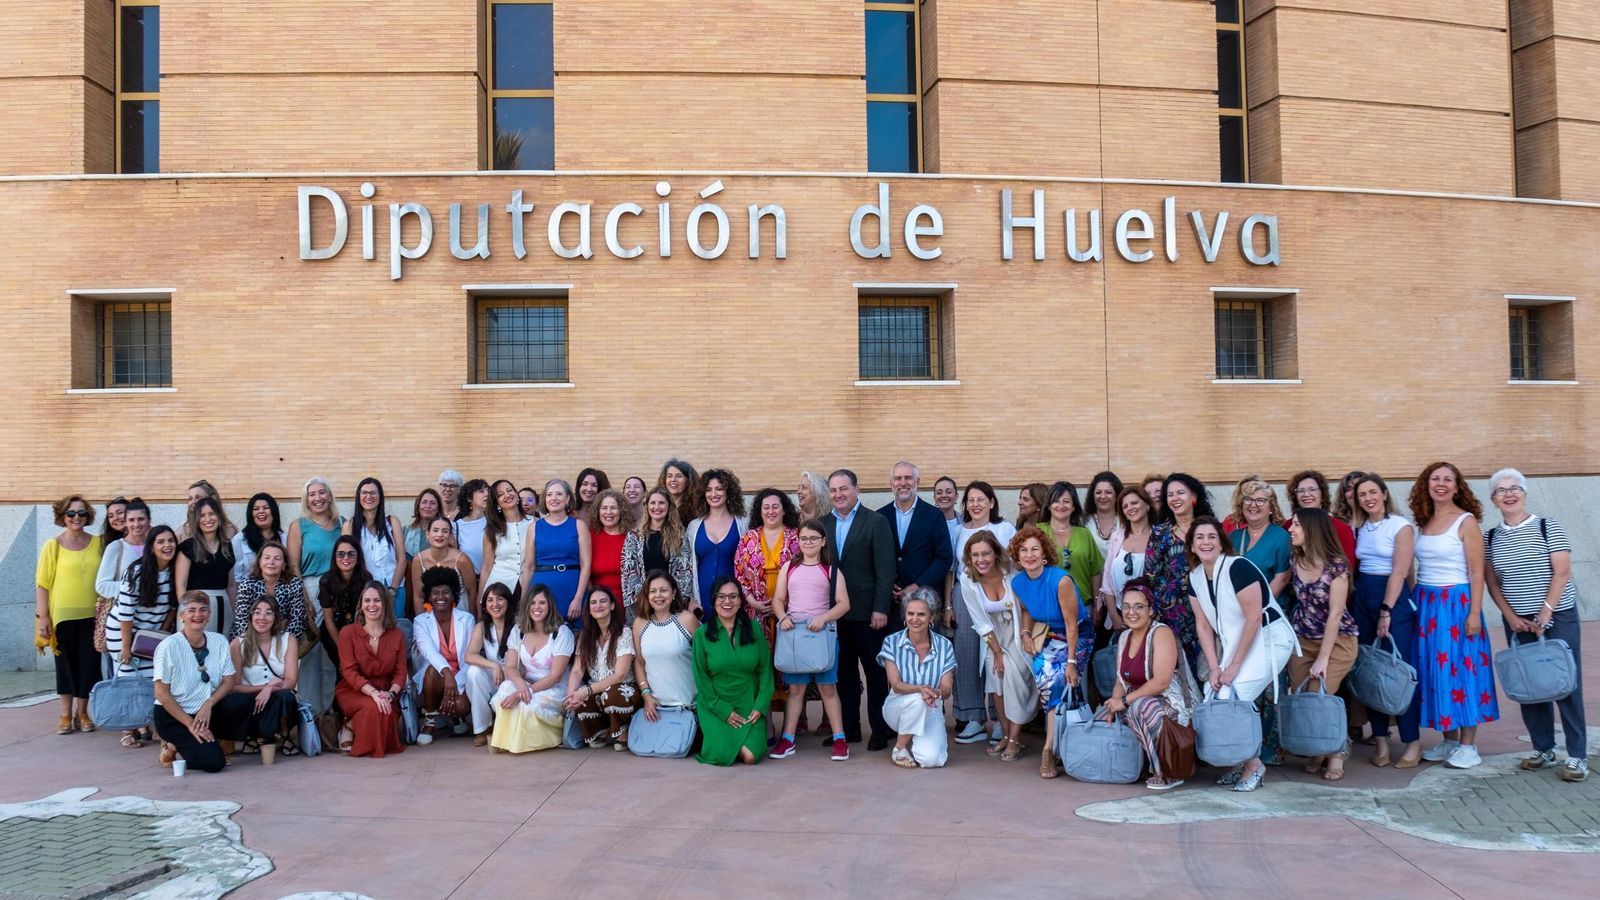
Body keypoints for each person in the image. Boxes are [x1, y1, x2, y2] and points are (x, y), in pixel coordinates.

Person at [1484, 467, 1587, 782]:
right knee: (1530, 686)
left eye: (1515, 488)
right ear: (1493, 499)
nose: (1509, 494)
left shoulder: (1547, 526)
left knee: (1566, 684)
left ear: (1525, 493)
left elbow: (1562, 571)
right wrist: (1512, 618)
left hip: (1558, 617)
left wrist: (1545, 612)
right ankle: (1543, 749)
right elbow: (1493, 582)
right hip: (1519, 624)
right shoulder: (1491, 536)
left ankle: (1578, 756)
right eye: (1502, 490)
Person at [1187, 517, 1297, 792]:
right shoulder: (1195, 577)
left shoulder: (1239, 567)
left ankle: (1254, 765)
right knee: (1213, 694)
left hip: (1270, 639)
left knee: (1233, 696)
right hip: (1237, 643)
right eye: (1199, 537)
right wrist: (1214, 667)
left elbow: (1254, 619)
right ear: (1191, 545)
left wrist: (1233, 666)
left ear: (1221, 541)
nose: (1206, 542)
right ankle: (1240, 761)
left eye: (1212, 536)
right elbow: (1203, 625)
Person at [1411, 462, 1498, 769]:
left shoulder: (1466, 521)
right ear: (1427, 484)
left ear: (1457, 487)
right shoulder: (1423, 521)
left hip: (1457, 602)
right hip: (1427, 602)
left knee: (1463, 669)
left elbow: (1476, 571)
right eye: (1435, 478)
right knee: (1436, 670)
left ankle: (1468, 745)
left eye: (1448, 479)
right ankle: (1449, 741)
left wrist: (1474, 612)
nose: (1442, 484)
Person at [822, 469, 898, 749]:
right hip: (835, 614)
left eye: (843, 489)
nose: (838, 495)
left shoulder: (875, 522)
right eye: (833, 490)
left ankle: (881, 729)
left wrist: (881, 608)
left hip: (868, 614)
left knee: (875, 674)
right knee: (844, 674)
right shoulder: (822, 524)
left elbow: (886, 568)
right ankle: (849, 728)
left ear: (856, 490)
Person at [1102, 578, 1199, 790]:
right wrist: (1113, 703)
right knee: (1114, 710)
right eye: (1126, 606)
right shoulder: (1125, 636)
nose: (1131, 612)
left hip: (1172, 704)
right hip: (1141, 702)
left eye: (1139, 606)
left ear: (1151, 610)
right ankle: (1136, 765)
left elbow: (1161, 682)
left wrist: (1125, 701)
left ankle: (1166, 770)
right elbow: (1121, 678)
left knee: (1140, 707)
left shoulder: (1161, 633)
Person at [1351, 473, 1421, 767]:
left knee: (1398, 671)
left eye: (1372, 492)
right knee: (1371, 670)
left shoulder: (1400, 526)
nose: (1368, 498)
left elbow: (1400, 571)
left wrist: (1386, 611)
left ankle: (1412, 743)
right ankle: (1380, 741)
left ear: (1384, 493)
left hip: (1390, 599)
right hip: (1363, 596)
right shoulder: (1361, 527)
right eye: (1362, 495)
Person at [1285, 509, 1360, 781]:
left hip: (1338, 641)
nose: (1290, 529)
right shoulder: (1297, 558)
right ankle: (1318, 748)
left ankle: (1337, 751)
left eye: (1295, 525)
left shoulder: (1336, 566)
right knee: (1303, 695)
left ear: (1311, 528)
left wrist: (1324, 658)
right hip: (1303, 638)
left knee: (1321, 694)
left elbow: (1335, 614)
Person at [769, 519, 852, 761]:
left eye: (814, 538)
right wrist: (782, 617)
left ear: (823, 541)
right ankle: (788, 739)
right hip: (794, 637)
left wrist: (824, 618)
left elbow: (844, 604)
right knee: (795, 690)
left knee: (828, 688)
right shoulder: (789, 568)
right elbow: (778, 599)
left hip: (822, 636)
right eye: (804, 538)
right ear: (798, 540)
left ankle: (839, 739)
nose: (808, 543)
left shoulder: (832, 570)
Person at [1011, 526, 1088, 779]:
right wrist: (1024, 633)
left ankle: (1048, 749)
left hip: (1076, 636)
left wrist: (1071, 661)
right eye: (1023, 550)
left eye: (1035, 549)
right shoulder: (1018, 582)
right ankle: (1061, 746)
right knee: (1046, 681)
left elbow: (1072, 624)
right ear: (1017, 556)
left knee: (1059, 679)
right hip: (1047, 636)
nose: (1029, 554)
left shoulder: (1060, 580)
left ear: (1044, 553)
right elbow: (1027, 611)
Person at [152, 592, 254, 773]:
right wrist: (190, 725)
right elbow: (161, 694)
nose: (197, 615)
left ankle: (218, 738)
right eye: (191, 610)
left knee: (243, 702)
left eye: (203, 610)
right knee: (214, 764)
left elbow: (229, 680)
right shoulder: (169, 646)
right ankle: (172, 744)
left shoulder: (219, 640)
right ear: (182, 616)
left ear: (209, 615)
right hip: (175, 715)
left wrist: (208, 703)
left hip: (206, 711)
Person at [958, 530, 1036, 761]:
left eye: (986, 554)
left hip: (1018, 633)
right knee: (996, 683)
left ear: (995, 554)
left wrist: (1024, 635)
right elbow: (979, 621)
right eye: (975, 555)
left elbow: (1026, 607)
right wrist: (997, 653)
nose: (980, 560)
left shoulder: (1011, 572)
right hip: (992, 637)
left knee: (1014, 680)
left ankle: (1014, 739)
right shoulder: (967, 579)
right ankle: (1005, 735)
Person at [949, 481, 1016, 745]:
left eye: (981, 499)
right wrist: (947, 605)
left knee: (997, 655)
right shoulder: (958, 531)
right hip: (965, 595)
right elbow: (953, 569)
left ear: (991, 502)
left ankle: (1000, 719)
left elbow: (1013, 566)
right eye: (970, 500)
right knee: (965, 653)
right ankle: (973, 717)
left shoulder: (1005, 528)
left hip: (999, 598)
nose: (975, 505)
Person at [35, 495, 105, 735]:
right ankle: (65, 714)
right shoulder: (52, 546)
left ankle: (82, 713)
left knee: (88, 665)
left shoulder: (99, 543)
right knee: (65, 666)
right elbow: (42, 584)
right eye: (71, 513)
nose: (77, 517)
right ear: (62, 516)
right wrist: (43, 617)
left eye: (81, 513)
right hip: (62, 617)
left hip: (93, 616)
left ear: (88, 516)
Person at [734, 487, 800, 733]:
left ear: (785, 510)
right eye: (766, 507)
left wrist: (784, 605)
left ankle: (792, 727)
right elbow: (739, 573)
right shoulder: (748, 539)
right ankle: (768, 724)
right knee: (761, 668)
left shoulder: (796, 538)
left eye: (776, 506)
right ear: (759, 512)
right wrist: (750, 599)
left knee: (789, 669)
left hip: (788, 615)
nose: (771, 511)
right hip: (757, 614)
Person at [108, 523, 179, 749]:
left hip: (151, 633)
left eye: (170, 541)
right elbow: (126, 613)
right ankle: (127, 728)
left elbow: (172, 608)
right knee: (130, 676)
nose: (167, 546)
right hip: (123, 631)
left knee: (153, 677)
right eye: (160, 542)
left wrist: (163, 634)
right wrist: (126, 647)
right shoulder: (137, 571)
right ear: (151, 547)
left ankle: (148, 724)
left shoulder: (174, 570)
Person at [692, 576, 774, 766]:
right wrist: (724, 711)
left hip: (749, 704)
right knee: (719, 755)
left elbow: (765, 671)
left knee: (751, 757)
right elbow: (701, 678)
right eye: (721, 596)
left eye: (733, 596)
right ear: (713, 601)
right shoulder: (702, 635)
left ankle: (737, 743)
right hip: (715, 705)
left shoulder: (753, 629)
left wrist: (760, 706)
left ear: (740, 601)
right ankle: (723, 739)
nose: (727, 601)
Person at [876, 461, 954, 646]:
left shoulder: (934, 515)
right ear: (891, 483)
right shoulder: (880, 517)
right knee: (894, 658)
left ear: (917, 481)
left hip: (925, 602)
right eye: (898, 478)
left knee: (926, 656)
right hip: (891, 603)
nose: (903, 482)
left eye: (908, 477)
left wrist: (917, 585)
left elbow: (944, 558)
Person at [490, 584, 574, 753]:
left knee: (527, 705)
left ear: (549, 605)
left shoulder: (561, 633)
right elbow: (511, 667)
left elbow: (555, 676)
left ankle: (526, 742)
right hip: (526, 684)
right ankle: (507, 740)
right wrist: (521, 686)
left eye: (542, 603)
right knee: (505, 690)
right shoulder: (519, 630)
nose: (537, 607)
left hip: (553, 688)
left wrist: (523, 692)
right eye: (533, 603)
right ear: (527, 606)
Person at [879, 596, 957, 769]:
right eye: (910, 614)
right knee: (918, 700)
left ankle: (916, 739)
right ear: (904, 617)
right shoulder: (891, 642)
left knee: (932, 760)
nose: (915, 619)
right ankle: (899, 748)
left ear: (931, 618)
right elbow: (896, 685)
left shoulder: (944, 646)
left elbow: (946, 690)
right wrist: (921, 690)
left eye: (921, 614)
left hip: (931, 706)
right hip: (898, 707)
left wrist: (934, 693)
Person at [335, 582, 408, 758]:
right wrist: (374, 693)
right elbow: (349, 672)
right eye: (367, 600)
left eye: (377, 600)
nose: (372, 605)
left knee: (385, 710)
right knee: (373, 708)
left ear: (385, 604)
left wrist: (390, 694)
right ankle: (354, 730)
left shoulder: (397, 635)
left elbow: (400, 672)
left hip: (386, 691)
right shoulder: (348, 633)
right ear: (361, 605)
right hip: (355, 690)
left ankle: (352, 726)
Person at [1146, 473, 1209, 669]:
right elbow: (1150, 575)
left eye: (1180, 492)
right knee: (1176, 670)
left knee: (1205, 667)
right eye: (1170, 494)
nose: (1175, 498)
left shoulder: (1208, 529)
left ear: (1194, 497)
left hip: (1206, 610)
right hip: (1170, 614)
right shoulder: (1159, 532)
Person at [564, 586, 639, 748]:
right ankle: (602, 731)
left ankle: (622, 732)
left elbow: (620, 675)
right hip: (598, 690)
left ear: (612, 605)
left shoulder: (623, 632)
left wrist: (588, 690)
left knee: (612, 694)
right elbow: (577, 670)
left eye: (603, 601)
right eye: (593, 603)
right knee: (579, 696)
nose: (598, 605)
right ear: (589, 609)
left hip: (624, 689)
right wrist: (572, 694)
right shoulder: (585, 636)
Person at [411, 567, 477, 745]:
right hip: (435, 678)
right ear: (429, 597)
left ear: (453, 593)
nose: (441, 597)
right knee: (433, 670)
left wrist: (456, 685)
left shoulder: (467, 619)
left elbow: (470, 657)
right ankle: (430, 721)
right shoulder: (420, 622)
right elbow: (429, 652)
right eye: (435, 593)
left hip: (462, 675)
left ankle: (456, 717)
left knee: (462, 707)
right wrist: (448, 675)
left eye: (446, 592)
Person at [227, 596, 299, 758]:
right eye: (257, 613)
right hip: (251, 699)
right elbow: (233, 685)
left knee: (286, 697)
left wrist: (271, 689)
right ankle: (253, 735)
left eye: (268, 613)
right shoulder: (238, 643)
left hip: (277, 696)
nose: (262, 618)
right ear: (251, 616)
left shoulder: (288, 640)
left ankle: (285, 735)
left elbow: (291, 680)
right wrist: (265, 688)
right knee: (238, 700)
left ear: (275, 617)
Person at [631, 571, 700, 725]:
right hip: (657, 709)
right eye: (653, 591)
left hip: (689, 706)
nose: (658, 596)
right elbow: (639, 662)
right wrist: (646, 695)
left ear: (673, 592)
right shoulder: (639, 623)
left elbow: (704, 658)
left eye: (663, 590)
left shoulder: (687, 619)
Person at [522, 479, 591, 624]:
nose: (553, 498)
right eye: (549, 494)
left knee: (577, 636)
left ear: (567, 499)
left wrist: (578, 598)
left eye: (559, 494)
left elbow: (586, 565)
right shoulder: (534, 528)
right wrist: (524, 600)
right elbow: (529, 567)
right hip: (542, 591)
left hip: (572, 589)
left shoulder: (579, 525)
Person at [464, 582, 518, 747]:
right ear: (485, 605)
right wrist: (493, 666)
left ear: (508, 602)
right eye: (490, 600)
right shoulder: (482, 626)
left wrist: (506, 670)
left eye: (500, 599)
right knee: (473, 672)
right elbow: (469, 656)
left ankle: (506, 727)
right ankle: (483, 729)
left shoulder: (519, 623)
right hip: (494, 677)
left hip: (516, 677)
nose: (495, 604)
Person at [688, 468, 748, 614]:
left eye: (719, 489)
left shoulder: (743, 523)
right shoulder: (694, 526)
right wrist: (690, 599)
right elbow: (687, 566)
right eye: (708, 490)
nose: (713, 494)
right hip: (702, 598)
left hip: (733, 600)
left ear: (729, 492)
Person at [1041, 480, 1106, 615]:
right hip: (1049, 606)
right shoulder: (1038, 532)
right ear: (1048, 506)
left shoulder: (1084, 533)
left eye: (1066, 501)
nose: (1061, 505)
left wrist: (1096, 603)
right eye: (1056, 501)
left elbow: (1095, 572)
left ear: (1074, 506)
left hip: (1083, 604)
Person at [621, 487, 694, 604]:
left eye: (661, 503)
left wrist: (672, 598)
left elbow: (685, 572)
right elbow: (628, 573)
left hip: (671, 603)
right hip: (641, 603)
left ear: (669, 506)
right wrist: (646, 597)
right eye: (653, 503)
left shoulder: (679, 536)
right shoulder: (634, 536)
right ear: (647, 506)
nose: (656, 507)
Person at [1098, 486, 1155, 638]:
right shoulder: (1118, 537)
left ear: (1147, 505)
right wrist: (1115, 618)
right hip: (1120, 614)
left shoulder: (1159, 536)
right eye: (1125, 506)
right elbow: (1107, 585)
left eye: (1134, 503)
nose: (1130, 508)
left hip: (1151, 616)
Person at [1226, 477, 1292, 601]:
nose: (1253, 505)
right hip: (1235, 609)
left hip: (1266, 609)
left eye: (1261, 500)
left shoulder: (1281, 537)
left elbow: (1282, 579)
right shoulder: (1233, 537)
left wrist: (1256, 608)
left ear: (1271, 508)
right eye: (1248, 500)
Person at [230, 542, 309, 643]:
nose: (271, 562)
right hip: (249, 639)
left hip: (283, 639)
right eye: (266, 558)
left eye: (277, 558)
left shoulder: (294, 584)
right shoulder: (248, 583)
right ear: (259, 562)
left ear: (284, 565)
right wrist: (259, 644)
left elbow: (297, 620)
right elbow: (241, 619)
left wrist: (283, 644)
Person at [176, 496, 235, 633]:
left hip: (223, 606)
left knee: (220, 648)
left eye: (212, 514)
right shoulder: (188, 547)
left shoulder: (227, 546)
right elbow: (181, 585)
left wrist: (235, 613)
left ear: (219, 517)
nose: (208, 519)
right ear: (196, 520)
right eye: (202, 515)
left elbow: (231, 585)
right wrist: (187, 611)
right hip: (195, 608)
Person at [96, 498, 151, 631]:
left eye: (141, 519)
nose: (136, 523)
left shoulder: (155, 545)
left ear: (148, 520)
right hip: (121, 621)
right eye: (131, 519)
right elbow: (101, 585)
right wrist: (134, 587)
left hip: (152, 620)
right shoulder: (116, 547)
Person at [317, 536, 369, 673]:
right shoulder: (326, 581)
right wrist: (343, 647)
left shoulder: (366, 579)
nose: (346, 558)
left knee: (361, 667)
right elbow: (328, 621)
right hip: (333, 632)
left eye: (351, 553)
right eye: (341, 554)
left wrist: (357, 643)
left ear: (358, 557)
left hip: (359, 629)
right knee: (344, 668)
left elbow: (366, 616)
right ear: (334, 557)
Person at [1289, 470, 1358, 570]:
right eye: (1301, 490)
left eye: (1312, 489)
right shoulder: (1288, 526)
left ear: (1322, 495)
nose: (1306, 494)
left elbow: (1348, 568)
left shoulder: (1341, 529)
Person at [409, 515, 478, 615]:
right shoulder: (418, 560)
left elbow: (472, 593)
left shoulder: (462, 560)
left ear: (450, 536)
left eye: (445, 531)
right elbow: (418, 596)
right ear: (427, 534)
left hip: (460, 613)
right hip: (430, 614)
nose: (440, 534)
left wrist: (472, 620)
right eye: (435, 530)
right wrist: (420, 622)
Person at [586, 488, 635, 609]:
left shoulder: (632, 538)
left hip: (629, 604)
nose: (608, 512)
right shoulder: (589, 537)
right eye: (604, 508)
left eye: (613, 508)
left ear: (621, 511)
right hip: (599, 606)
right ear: (598, 511)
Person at [287, 477, 343, 582]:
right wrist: (303, 595)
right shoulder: (297, 526)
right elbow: (293, 566)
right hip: (310, 587)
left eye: (322, 492)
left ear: (330, 496)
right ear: (306, 501)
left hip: (339, 586)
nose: (317, 498)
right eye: (312, 494)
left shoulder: (343, 524)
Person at [481, 478, 530, 598]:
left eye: (510, 490)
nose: (507, 495)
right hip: (500, 590)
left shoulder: (535, 524)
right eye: (501, 494)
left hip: (530, 586)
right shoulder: (491, 530)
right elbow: (487, 568)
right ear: (497, 503)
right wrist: (479, 600)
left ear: (517, 495)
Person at [231, 493, 285, 590]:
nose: (261, 511)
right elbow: (236, 577)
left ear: (274, 511)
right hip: (250, 595)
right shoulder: (239, 540)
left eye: (265, 508)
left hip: (281, 593)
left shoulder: (285, 537)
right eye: (256, 509)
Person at [453, 479, 492, 576]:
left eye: (488, 491)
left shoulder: (494, 522)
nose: (486, 494)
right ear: (469, 498)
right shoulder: (457, 526)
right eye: (481, 491)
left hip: (493, 580)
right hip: (468, 582)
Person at [1085, 471, 1125, 560]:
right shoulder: (1084, 523)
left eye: (1108, 492)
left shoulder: (1126, 521)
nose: (1103, 496)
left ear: (1117, 495)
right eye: (1098, 492)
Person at [404, 488, 445, 559]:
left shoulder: (445, 532)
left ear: (438, 508)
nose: (428, 506)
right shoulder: (405, 531)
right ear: (418, 506)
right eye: (424, 502)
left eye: (432, 503)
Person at [932, 475, 961, 553]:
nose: (944, 495)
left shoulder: (966, 522)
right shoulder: (926, 523)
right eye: (939, 492)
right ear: (934, 498)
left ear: (956, 496)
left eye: (948, 492)